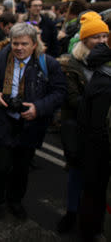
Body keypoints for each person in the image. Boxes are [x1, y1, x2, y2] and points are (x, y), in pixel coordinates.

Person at [0, 22, 66, 223]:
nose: (19, 48)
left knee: (21, 169)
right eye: (15, 43)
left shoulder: (48, 64)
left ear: (34, 45)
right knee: (1, 167)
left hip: (30, 126)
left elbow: (60, 92)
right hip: (4, 121)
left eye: (24, 44)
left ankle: (15, 201)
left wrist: (39, 108)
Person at [56, 11, 109, 234]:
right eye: (97, 37)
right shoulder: (71, 65)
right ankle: (71, 213)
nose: (102, 41)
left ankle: (92, 219)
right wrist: (98, 98)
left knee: (97, 180)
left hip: (101, 131)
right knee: (77, 175)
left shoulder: (105, 62)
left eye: (105, 37)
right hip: (78, 128)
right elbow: (72, 99)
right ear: (85, 39)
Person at [77, 42, 110, 242]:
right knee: (94, 192)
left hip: (97, 147)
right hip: (98, 150)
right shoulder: (104, 80)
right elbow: (97, 126)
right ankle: (91, 232)